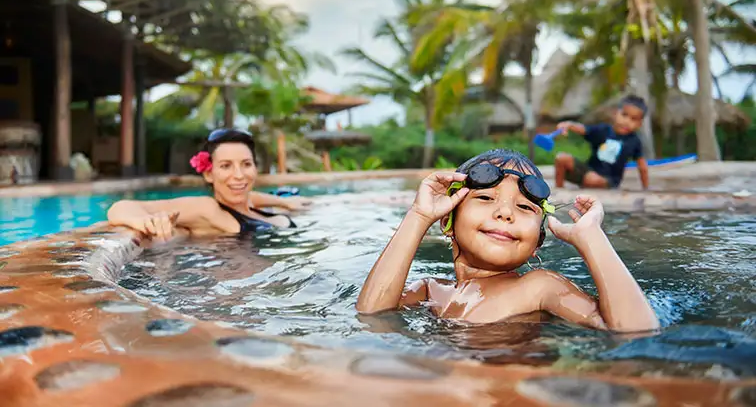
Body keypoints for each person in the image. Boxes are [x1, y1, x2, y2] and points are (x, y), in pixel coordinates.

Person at [356, 149, 660, 332]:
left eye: (525, 207)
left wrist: (593, 239)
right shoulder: (430, 290)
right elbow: (372, 315)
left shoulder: (540, 286)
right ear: (448, 222)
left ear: (537, 243)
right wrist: (419, 216)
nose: (505, 213)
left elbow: (635, 329)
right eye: (486, 198)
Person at [107, 129, 312, 242]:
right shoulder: (209, 209)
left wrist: (287, 203)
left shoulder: (249, 204)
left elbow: (252, 197)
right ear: (208, 174)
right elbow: (119, 208)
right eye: (226, 166)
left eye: (246, 164)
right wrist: (146, 221)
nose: (239, 175)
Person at [554, 95, 649, 189]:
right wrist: (569, 125)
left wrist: (645, 188)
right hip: (588, 171)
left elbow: (642, 167)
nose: (627, 121)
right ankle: (559, 190)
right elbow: (584, 129)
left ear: (639, 124)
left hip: (608, 180)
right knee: (561, 158)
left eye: (633, 119)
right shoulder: (604, 130)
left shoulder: (634, 141)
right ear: (615, 113)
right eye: (624, 115)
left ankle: (587, 185)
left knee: (592, 180)